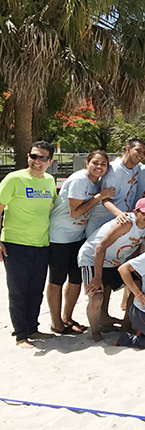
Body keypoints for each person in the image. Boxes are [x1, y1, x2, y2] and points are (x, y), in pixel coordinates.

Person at [47, 149, 113, 335]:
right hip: (60, 236)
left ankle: (67, 317)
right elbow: (75, 212)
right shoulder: (79, 180)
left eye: (103, 164)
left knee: (75, 280)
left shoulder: (98, 182)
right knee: (57, 280)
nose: (99, 167)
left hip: (79, 236)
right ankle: (56, 322)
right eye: (95, 163)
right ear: (87, 163)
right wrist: (99, 197)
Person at [0, 140, 57, 348]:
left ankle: (33, 328)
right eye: (34, 156)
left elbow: (52, 206)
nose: (37, 161)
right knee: (18, 290)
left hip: (41, 244)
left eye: (42, 158)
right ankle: (21, 335)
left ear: (50, 161)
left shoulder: (50, 181)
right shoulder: (13, 179)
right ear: (28, 157)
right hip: (15, 244)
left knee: (36, 289)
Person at [78, 197, 145, 341]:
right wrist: (97, 277)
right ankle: (95, 332)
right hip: (92, 257)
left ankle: (126, 326)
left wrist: (133, 267)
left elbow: (136, 244)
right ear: (136, 212)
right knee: (96, 297)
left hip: (115, 261)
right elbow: (100, 247)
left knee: (138, 285)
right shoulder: (126, 223)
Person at [86, 138, 145, 236]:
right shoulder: (114, 171)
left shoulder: (136, 167)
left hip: (119, 224)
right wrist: (119, 214)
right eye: (138, 151)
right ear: (128, 149)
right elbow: (105, 200)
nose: (141, 155)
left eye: (144, 152)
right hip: (101, 224)